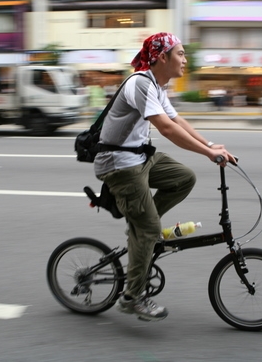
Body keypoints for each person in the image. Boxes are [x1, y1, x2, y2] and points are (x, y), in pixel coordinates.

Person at [94, 32, 236, 322]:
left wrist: (210, 145)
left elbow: (176, 120)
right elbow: (167, 130)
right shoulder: (140, 83)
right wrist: (209, 155)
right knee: (148, 229)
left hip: (140, 157)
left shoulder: (158, 87)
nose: (185, 59)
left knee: (184, 178)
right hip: (119, 164)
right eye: (181, 53)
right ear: (162, 57)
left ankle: (141, 226)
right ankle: (132, 298)